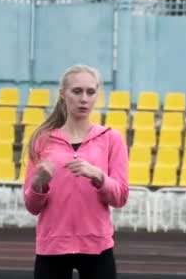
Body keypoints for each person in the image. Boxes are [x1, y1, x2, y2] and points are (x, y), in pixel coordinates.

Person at [23, 64, 129, 279]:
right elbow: (32, 207)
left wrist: (99, 177)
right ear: (63, 95)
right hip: (52, 245)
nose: (84, 98)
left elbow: (120, 198)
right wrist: (39, 184)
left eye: (90, 92)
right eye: (77, 91)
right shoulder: (42, 140)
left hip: (97, 245)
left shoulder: (111, 138)